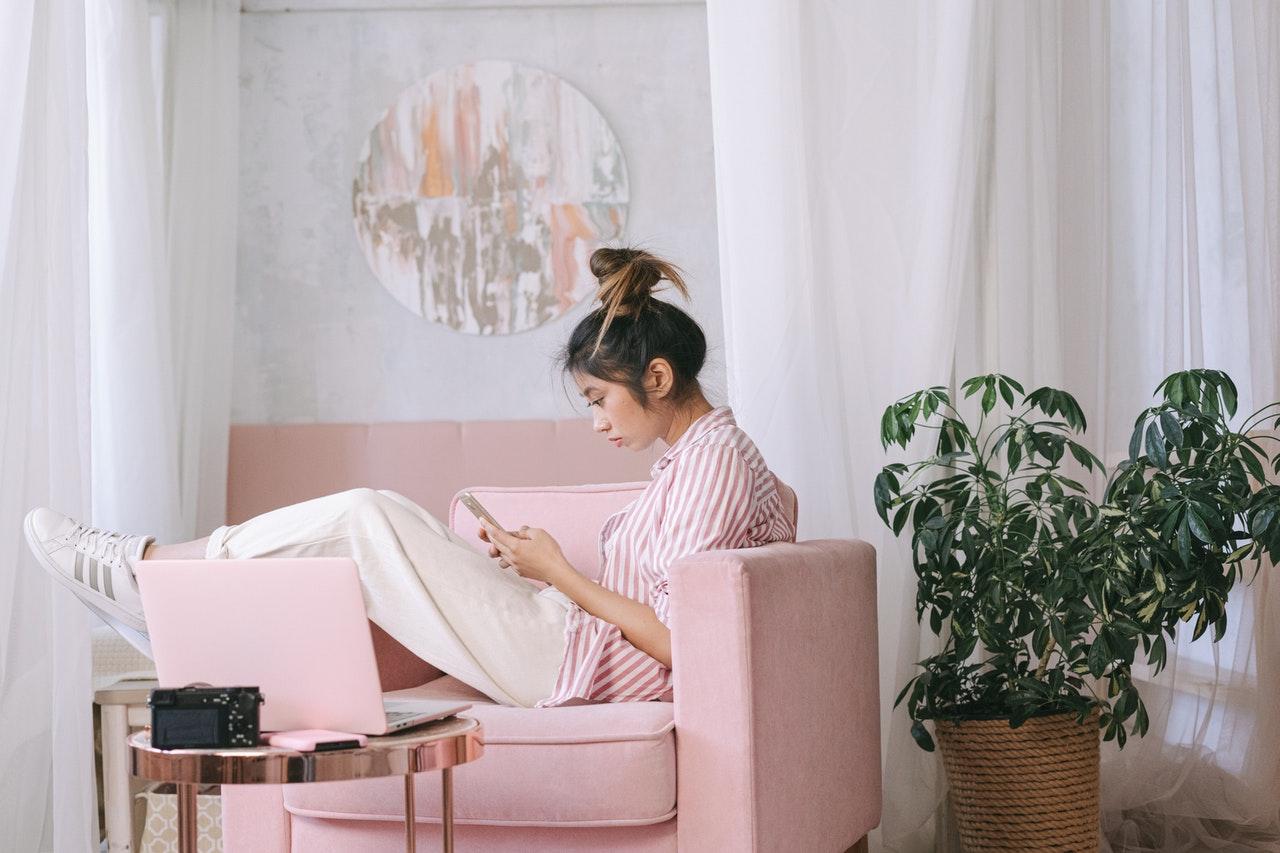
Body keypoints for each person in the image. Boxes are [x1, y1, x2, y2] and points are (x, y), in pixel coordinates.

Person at [23, 246, 797, 708]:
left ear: (656, 376)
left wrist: (558, 569)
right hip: (560, 633)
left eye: (600, 399)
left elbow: (684, 641)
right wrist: (541, 570)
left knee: (365, 516)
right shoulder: (695, 461)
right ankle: (174, 608)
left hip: (571, 660)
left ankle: (148, 573)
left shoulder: (714, 463)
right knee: (379, 530)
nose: (596, 421)